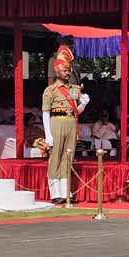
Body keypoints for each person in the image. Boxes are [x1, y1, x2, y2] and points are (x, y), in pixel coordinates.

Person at [42, 60, 90, 204]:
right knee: (55, 157)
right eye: (64, 70)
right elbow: (45, 113)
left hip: (71, 122)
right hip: (56, 122)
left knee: (68, 157)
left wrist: (84, 103)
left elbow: (76, 111)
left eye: (69, 70)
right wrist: (48, 134)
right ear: (57, 72)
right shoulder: (51, 90)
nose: (67, 73)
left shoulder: (74, 89)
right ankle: (55, 192)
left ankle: (65, 192)